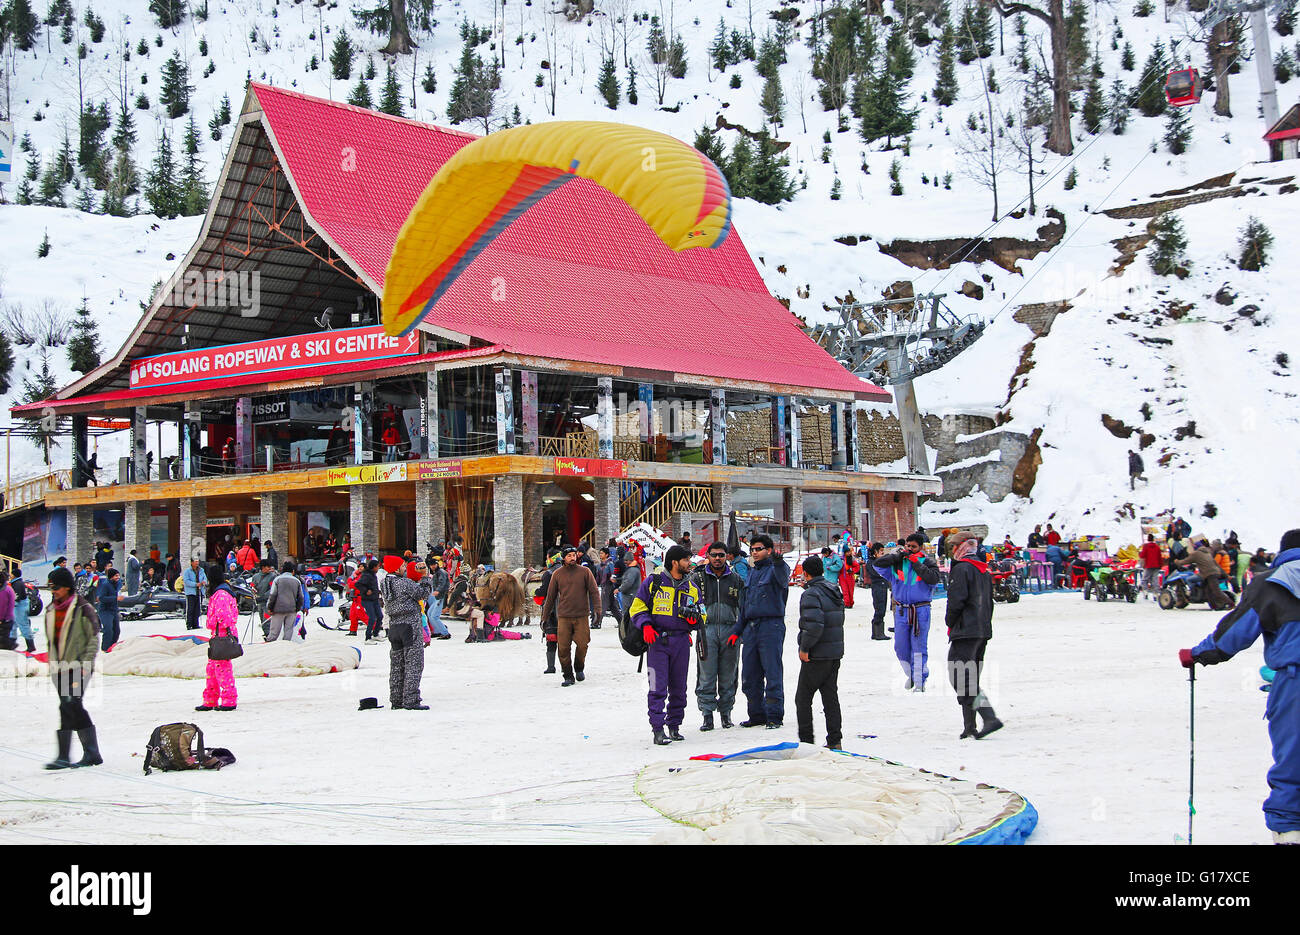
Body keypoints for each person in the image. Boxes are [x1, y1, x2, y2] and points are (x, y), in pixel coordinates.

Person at [1181, 528, 1300, 843]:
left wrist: (1197, 655)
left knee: (1293, 761)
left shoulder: (1271, 582)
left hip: (1295, 682)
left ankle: (1289, 834)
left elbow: (1234, 634)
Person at [631, 545, 703, 745]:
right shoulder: (653, 582)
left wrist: (694, 618)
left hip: (681, 642)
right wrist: (645, 625)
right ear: (675, 562)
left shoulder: (692, 587)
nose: (690, 564)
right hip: (657, 642)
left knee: (679, 688)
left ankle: (674, 726)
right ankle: (657, 729)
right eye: (686, 560)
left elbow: (703, 614)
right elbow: (637, 607)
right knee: (657, 687)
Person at [944, 533, 1003, 740]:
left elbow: (956, 601)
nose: (951, 551)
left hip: (965, 630)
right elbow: (989, 602)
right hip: (981, 630)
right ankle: (970, 726)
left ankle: (988, 717)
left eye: (953, 547)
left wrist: (950, 621)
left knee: (960, 677)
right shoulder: (983, 569)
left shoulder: (962, 569)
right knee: (970, 676)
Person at [43, 567, 102, 769]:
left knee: (69, 705)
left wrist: (86, 664)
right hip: (58, 668)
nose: (54, 591)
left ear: (67, 587)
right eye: (51, 587)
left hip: (78, 667)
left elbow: (93, 639)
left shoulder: (83, 608)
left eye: (57, 587)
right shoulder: (51, 610)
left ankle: (63, 756)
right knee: (71, 706)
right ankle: (92, 754)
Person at [872, 533, 941, 691]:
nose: (910, 549)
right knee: (900, 647)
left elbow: (933, 579)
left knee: (918, 646)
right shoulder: (897, 563)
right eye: (908, 546)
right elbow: (877, 565)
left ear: (921, 548)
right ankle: (911, 673)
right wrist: (895, 557)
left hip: (920, 610)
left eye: (913, 547)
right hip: (902, 610)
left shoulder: (928, 562)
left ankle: (919, 681)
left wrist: (916, 563)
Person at [736, 535, 792, 729]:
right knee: (750, 675)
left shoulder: (778, 568)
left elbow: (783, 579)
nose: (754, 552)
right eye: (752, 549)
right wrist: (737, 629)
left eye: (758, 549)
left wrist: (777, 561)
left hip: (771, 626)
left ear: (769, 550)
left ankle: (774, 716)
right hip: (751, 627)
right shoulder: (752, 572)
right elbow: (746, 603)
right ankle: (757, 714)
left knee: (772, 671)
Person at [691, 542, 745, 731]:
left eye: (721, 555)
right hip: (707, 631)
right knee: (706, 674)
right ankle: (707, 714)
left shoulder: (736, 579)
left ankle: (726, 713)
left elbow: (743, 607)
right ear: (708, 556)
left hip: (730, 631)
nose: (717, 558)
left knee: (728, 674)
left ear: (726, 556)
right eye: (714, 555)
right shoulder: (697, 578)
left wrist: (740, 631)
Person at [794, 555, 845, 750]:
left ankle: (806, 742)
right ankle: (835, 740)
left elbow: (813, 625)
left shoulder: (811, 594)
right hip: (834, 651)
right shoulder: (833, 589)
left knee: (803, 698)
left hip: (817, 653)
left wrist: (805, 647)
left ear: (805, 573)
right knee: (830, 696)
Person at [539, 545, 600, 687]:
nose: (573, 558)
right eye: (569, 556)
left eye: (574, 555)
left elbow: (594, 592)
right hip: (564, 616)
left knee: (583, 644)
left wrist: (597, 611)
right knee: (563, 648)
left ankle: (579, 667)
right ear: (564, 558)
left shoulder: (585, 572)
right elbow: (550, 597)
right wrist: (544, 617)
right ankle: (568, 675)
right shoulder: (557, 574)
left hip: (581, 615)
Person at [383, 560, 435, 709]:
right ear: (396, 568)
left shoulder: (385, 583)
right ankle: (411, 699)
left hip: (394, 626)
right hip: (410, 625)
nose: (405, 569)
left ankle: (396, 699)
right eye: (403, 566)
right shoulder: (404, 583)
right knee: (414, 663)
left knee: (397, 664)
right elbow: (423, 594)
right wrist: (425, 576)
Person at [196, 564, 239, 712]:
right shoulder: (222, 591)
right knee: (213, 669)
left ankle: (229, 700)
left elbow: (225, 618)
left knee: (222, 669)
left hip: (222, 635)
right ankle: (210, 699)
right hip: (218, 635)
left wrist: (212, 622)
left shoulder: (221, 594)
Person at [1175, 540, 1232, 611]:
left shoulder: (1196, 554)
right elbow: (1216, 565)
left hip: (1209, 574)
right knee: (1208, 591)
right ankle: (1214, 606)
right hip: (1215, 573)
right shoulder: (1208, 554)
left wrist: (1177, 562)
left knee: (1190, 580)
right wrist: (1226, 575)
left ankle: (1192, 593)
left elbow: (1185, 561)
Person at [535, 550, 562, 672]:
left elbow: (544, 591)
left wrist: (536, 592)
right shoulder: (567, 571)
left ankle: (551, 666)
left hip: (552, 612)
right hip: (567, 610)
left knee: (552, 639)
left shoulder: (549, 573)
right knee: (565, 641)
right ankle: (566, 666)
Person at [265, 562, 303, 641]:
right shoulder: (297, 581)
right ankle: (286, 647)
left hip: (278, 610)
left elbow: (272, 595)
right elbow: (301, 597)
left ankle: (269, 646)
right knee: (288, 631)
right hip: (291, 610)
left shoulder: (277, 579)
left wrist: (270, 608)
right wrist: (297, 608)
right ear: (292, 571)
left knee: (274, 633)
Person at [864, 542, 891, 641]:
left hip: (883, 586)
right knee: (879, 608)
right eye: (881, 552)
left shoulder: (878, 562)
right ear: (875, 552)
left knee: (882, 608)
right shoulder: (872, 563)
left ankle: (878, 632)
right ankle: (878, 632)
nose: (882, 554)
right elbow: (878, 573)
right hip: (877, 586)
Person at [95, 568, 122, 651]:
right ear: (111, 577)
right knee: (108, 629)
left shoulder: (116, 584)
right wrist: (115, 598)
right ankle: (105, 648)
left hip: (113, 610)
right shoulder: (106, 585)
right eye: (116, 576)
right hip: (105, 610)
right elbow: (102, 598)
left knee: (116, 630)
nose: (118, 577)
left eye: (118, 575)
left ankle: (112, 646)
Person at [357, 559, 383, 642]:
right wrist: (366, 590)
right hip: (367, 600)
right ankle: (368, 637)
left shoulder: (373, 575)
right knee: (372, 618)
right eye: (377, 567)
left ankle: (375, 634)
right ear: (374, 567)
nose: (378, 568)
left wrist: (378, 592)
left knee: (380, 616)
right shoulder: (366, 575)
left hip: (375, 599)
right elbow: (358, 584)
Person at [10, 570, 34, 653]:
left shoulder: (17, 584)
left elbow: (16, 597)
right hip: (19, 606)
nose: (10, 575)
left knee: (23, 625)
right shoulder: (18, 582)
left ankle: (31, 646)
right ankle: (11, 644)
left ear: (15, 575)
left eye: (11, 574)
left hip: (20, 606)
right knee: (13, 624)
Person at [182, 558, 208, 630]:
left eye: (197, 561)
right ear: (191, 562)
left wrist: (204, 582)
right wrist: (195, 584)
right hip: (191, 592)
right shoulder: (187, 571)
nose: (197, 563)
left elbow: (204, 578)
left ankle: (196, 624)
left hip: (199, 591)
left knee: (197, 608)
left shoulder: (201, 570)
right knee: (190, 608)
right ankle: (189, 624)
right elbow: (186, 581)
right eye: (195, 561)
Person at [596, 547, 617, 626]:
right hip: (604, 585)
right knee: (612, 606)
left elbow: (613, 574)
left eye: (602, 553)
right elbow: (598, 577)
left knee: (603, 604)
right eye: (600, 553)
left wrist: (614, 583)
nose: (600, 555)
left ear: (607, 554)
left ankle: (597, 622)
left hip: (608, 585)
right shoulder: (600, 565)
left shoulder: (610, 564)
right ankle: (621, 621)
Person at [839, 542, 859, 610]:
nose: (849, 553)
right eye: (847, 552)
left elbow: (857, 567)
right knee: (845, 591)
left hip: (850, 577)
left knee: (850, 591)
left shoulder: (852, 559)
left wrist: (852, 570)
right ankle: (847, 603)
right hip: (842, 577)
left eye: (849, 552)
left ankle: (851, 602)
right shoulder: (840, 559)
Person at [0, 573, 15, 652]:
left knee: (3, 640)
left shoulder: (3, 591)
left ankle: (11, 645)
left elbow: (2, 607)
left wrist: (1, 619)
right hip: (9, 617)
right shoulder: (8, 588)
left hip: (5, 619)